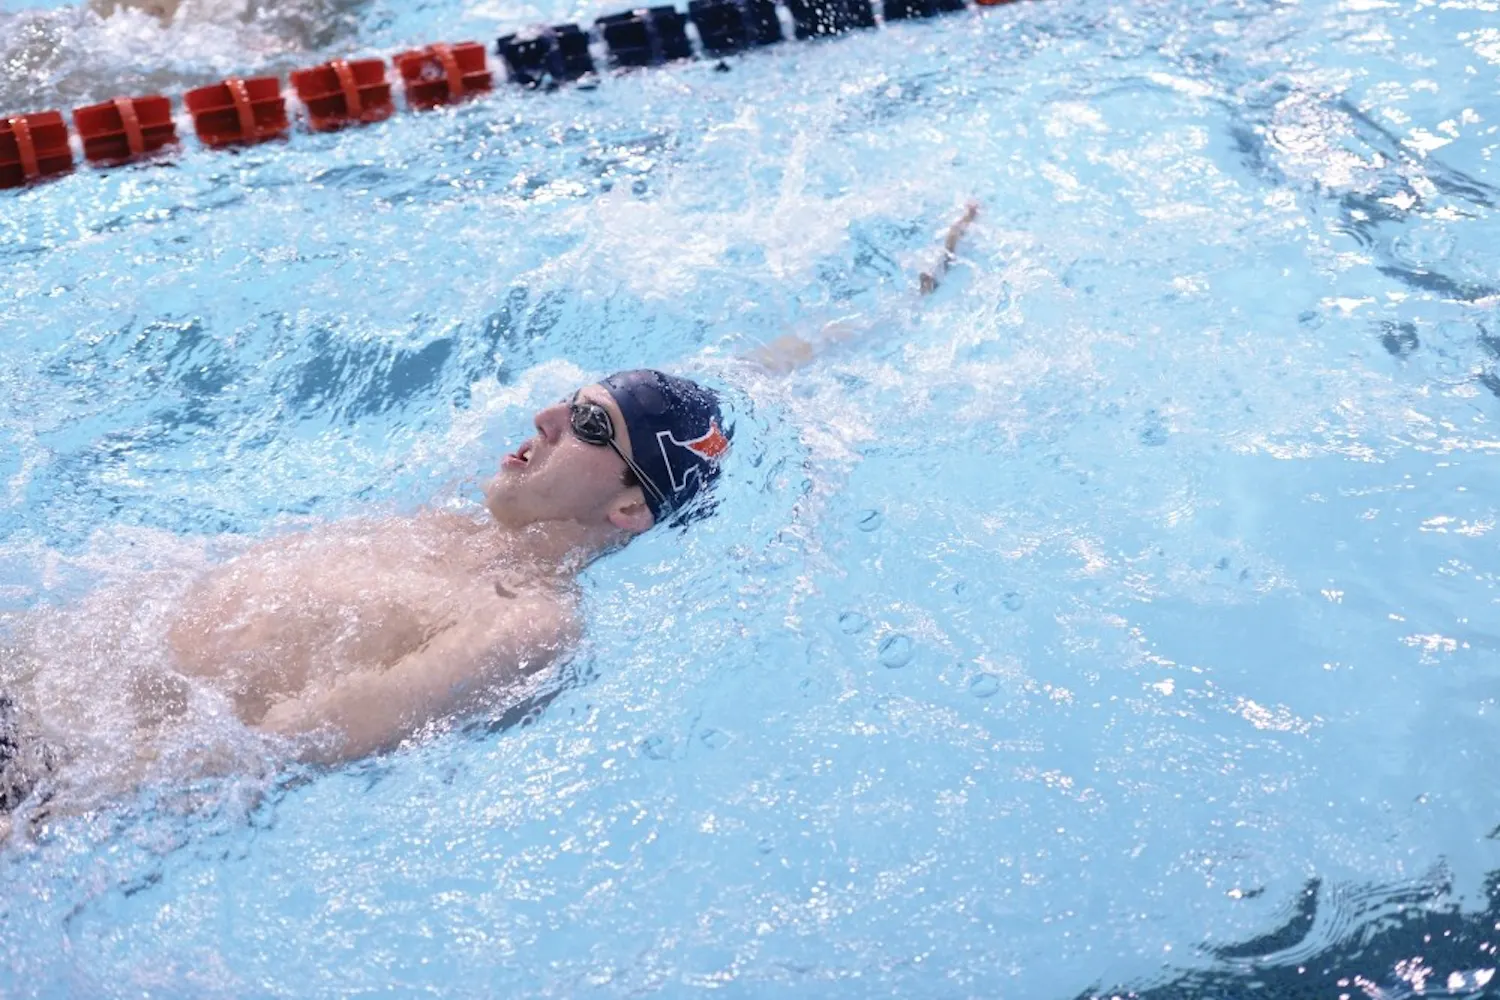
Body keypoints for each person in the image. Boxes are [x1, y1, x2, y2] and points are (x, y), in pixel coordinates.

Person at [0, 202, 978, 829]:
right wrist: (901, 302)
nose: (548, 416)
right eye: (567, 399)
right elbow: (744, 381)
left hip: (51, 768)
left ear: (631, 506)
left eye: (587, 422)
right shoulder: (460, 521)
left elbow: (291, 742)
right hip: (37, 659)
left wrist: (47, 809)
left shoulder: (526, 624)